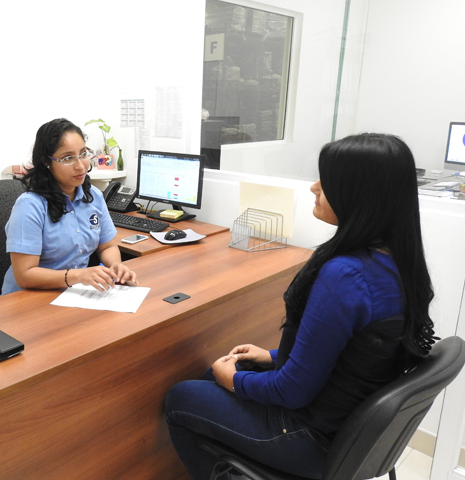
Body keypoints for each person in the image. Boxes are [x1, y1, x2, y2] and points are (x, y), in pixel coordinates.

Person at [165, 133, 436, 479]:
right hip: (350, 429)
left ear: (359, 194)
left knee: (181, 397)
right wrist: (272, 356)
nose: (313, 187)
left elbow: (291, 391)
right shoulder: (398, 260)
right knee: (214, 376)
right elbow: (352, 354)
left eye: (327, 180)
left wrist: (235, 382)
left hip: (313, 436)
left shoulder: (347, 275)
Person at [1, 118, 137, 295]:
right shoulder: (30, 206)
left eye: (83, 154)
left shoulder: (94, 196)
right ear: (46, 162)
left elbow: (107, 247)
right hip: (28, 298)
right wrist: (78, 276)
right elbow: (24, 275)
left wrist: (116, 266)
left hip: (72, 293)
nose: (80, 166)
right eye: (68, 158)